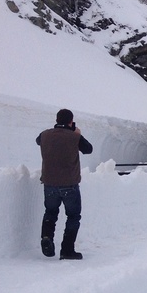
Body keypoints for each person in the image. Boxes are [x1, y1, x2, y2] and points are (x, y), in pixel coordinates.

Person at [36, 109, 93, 260]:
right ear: (71, 121)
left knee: (50, 213)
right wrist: (77, 134)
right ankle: (67, 250)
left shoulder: (45, 135)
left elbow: (38, 141)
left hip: (49, 183)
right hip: (70, 184)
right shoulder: (74, 137)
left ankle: (46, 238)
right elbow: (89, 150)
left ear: (56, 119)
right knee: (73, 216)